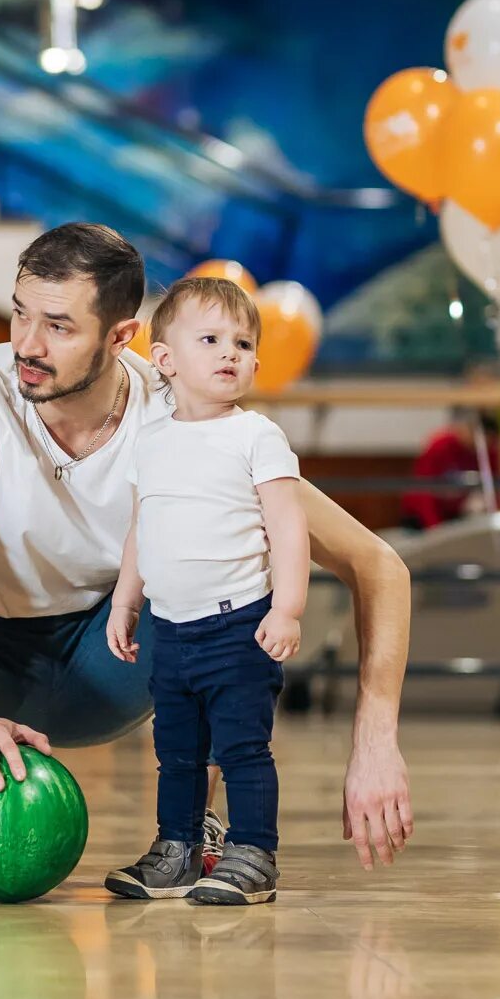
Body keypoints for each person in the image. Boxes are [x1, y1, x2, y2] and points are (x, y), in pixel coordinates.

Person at [0, 223, 415, 871]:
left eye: (59, 327)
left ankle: (194, 825)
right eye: (20, 314)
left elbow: (377, 564)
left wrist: (375, 741)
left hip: (112, 659)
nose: (27, 345)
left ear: (121, 338)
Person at [99, 277, 306, 905]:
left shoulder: (255, 436)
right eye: (211, 339)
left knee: (242, 748)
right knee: (177, 752)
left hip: (238, 624)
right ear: (165, 360)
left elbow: (288, 527)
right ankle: (178, 849)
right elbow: (144, 525)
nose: (230, 353)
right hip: (172, 626)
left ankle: (253, 852)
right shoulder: (152, 439)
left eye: (243, 343)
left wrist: (288, 607)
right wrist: (124, 600)